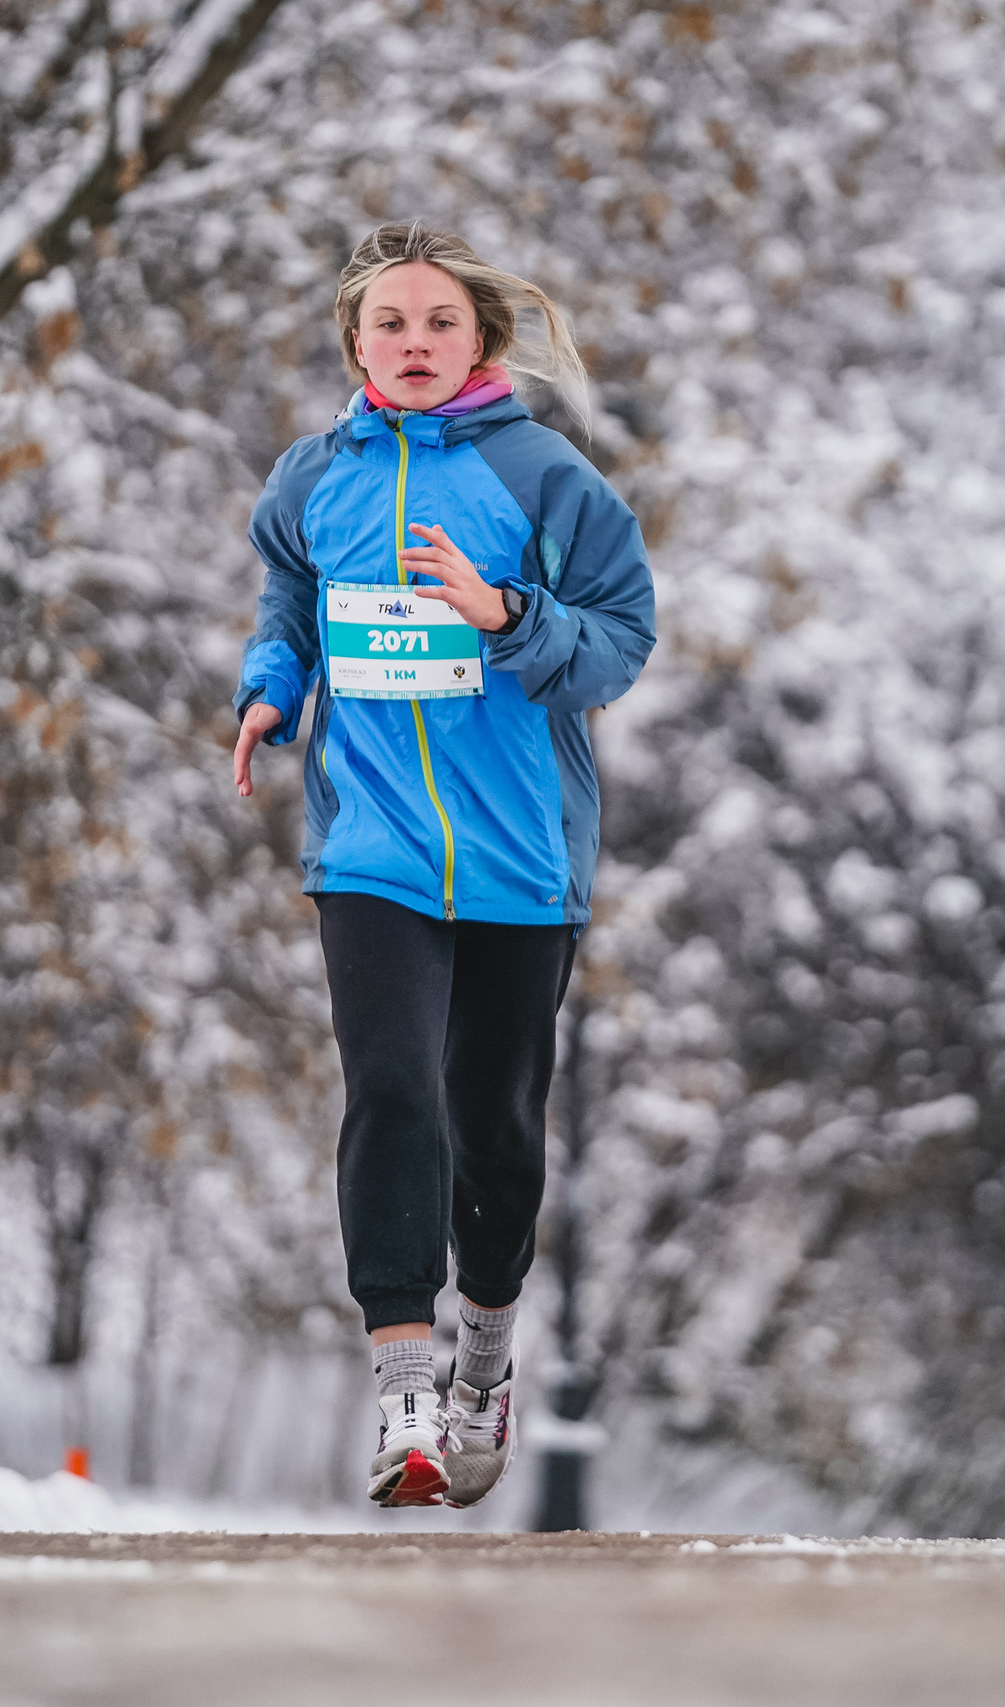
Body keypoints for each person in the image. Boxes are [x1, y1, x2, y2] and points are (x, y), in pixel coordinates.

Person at [231, 224, 657, 1507]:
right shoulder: (312, 478)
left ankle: (485, 1352)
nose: (413, 344)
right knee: (394, 1092)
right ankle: (405, 1391)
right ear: (355, 344)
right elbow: (289, 603)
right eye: (389, 325)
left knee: (493, 1128)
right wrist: (269, 688)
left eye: (439, 324)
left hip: (523, 853)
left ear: (483, 342)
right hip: (370, 847)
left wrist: (506, 615)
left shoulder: (546, 479)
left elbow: (620, 644)